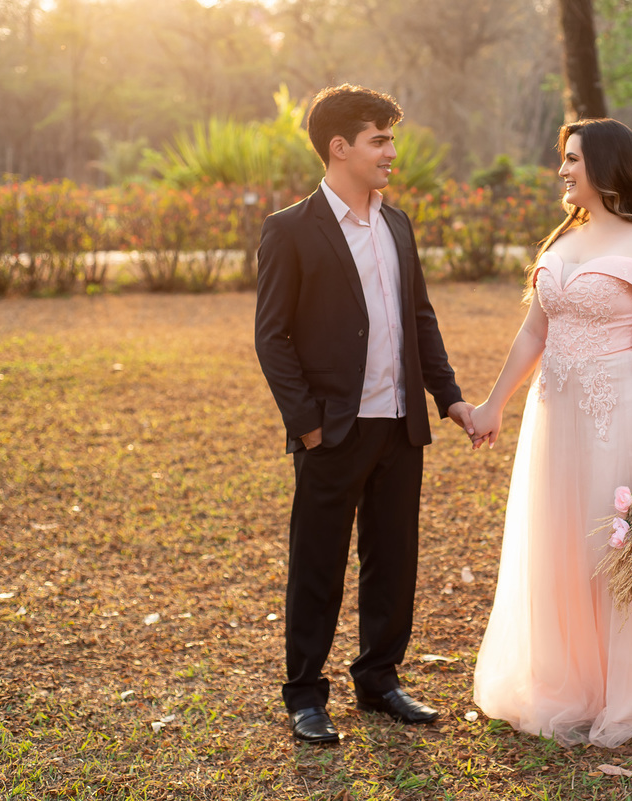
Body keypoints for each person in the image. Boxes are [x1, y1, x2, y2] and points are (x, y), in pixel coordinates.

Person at [469, 118, 632, 746]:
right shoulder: (563, 240)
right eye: (564, 159)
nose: (563, 170)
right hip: (555, 415)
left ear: (606, 166)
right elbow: (534, 331)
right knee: (559, 539)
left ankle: (625, 690)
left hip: (616, 412)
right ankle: (568, 681)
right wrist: (494, 404)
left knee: (610, 546)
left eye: (574, 159)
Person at [255, 84, 475, 745]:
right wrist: (308, 423)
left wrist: (449, 397)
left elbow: (419, 318)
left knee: (394, 559)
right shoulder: (290, 229)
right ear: (339, 147)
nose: (391, 152)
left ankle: (379, 678)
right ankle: (305, 694)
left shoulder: (397, 224)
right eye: (379, 140)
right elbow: (272, 336)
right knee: (317, 563)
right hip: (333, 430)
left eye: (391, 140)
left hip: (401, 425)